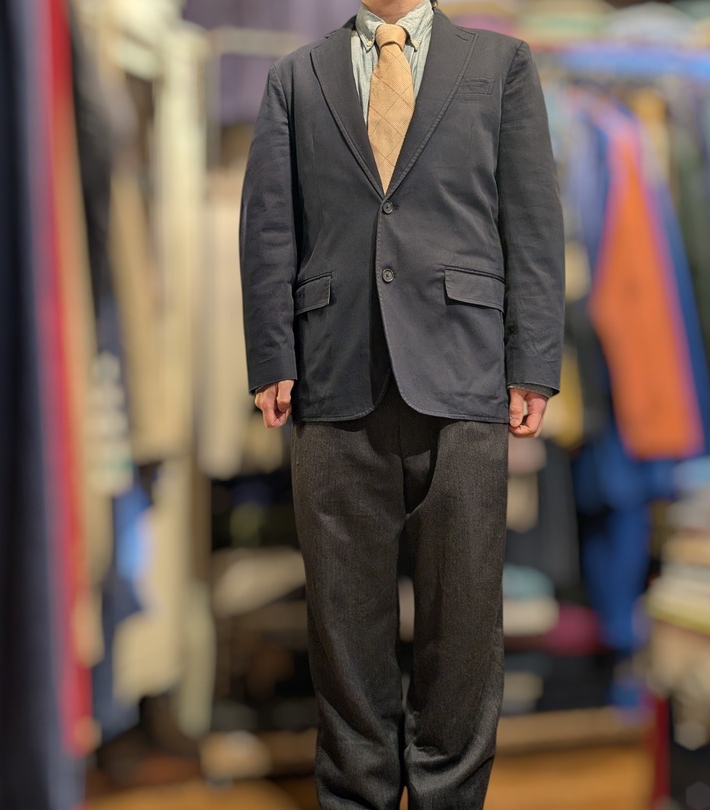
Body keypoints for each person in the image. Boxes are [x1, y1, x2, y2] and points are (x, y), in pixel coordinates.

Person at [239, 0, 564, 807]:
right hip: (333, 377)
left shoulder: (500, 66)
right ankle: (357, 795)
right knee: (343, 631)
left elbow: (531, 219)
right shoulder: (296, 77)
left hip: (465, 374)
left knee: (463, 629)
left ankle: (451, 794)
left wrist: (533, 361)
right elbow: (269, 225)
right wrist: (272, 353)